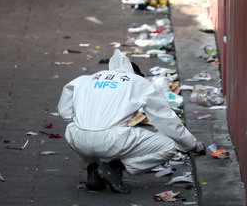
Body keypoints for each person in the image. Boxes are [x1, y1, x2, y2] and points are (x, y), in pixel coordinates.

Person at [58, 49, 203, 193]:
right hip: (110, 141)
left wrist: (86, 119)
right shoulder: (138, 82)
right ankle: (114, 168)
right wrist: (190, 144)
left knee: (81, 128)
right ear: (135, 74)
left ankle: (93, 170)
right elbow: (165, 119)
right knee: (169, 147)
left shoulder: (85, 79)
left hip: (75, 138)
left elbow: (64, 112)